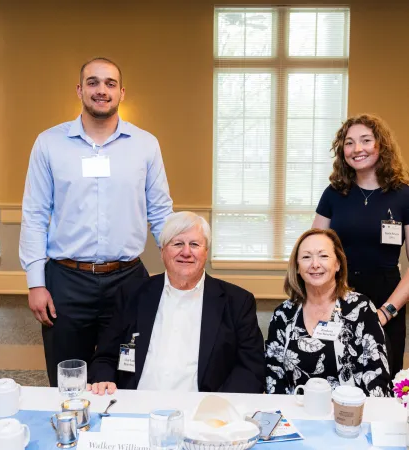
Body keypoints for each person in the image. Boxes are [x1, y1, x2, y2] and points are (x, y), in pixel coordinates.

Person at [19, 57, 173, 386]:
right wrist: (35, 282)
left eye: (109, 83)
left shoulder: (146, 145)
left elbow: (160, 211)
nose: (101, 90)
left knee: (128, 372)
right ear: (79, 90)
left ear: (121, 93)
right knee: (68, 378)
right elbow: (34, 214)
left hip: (128, 280)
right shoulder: (49, 143)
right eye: (93, 82)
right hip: (66, 281)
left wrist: (179, 266)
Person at [86, 212, 266, 394]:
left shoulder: (237, 302)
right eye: (178, 243)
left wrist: (217, 408)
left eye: (194, 244)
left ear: (206, 252)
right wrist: (104, 380)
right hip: (137, 405)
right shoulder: (131, 294)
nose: (186, 252)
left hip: (202, 412)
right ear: (162, 251)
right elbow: (105, 357)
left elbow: (251, 370)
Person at [313, 114, 409, 377]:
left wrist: (387, 312)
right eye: (349, 143)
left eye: (366, 140)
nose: (357, 149)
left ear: (382, 145)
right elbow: (312, 251)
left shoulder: (404, 195)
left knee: (382, 380)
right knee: (333, 376)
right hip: (338, 297)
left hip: (386, 301)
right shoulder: (333, 193)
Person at [265, 228, 391, 396]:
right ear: (297, 267)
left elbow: (377, 375)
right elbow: (274, 377)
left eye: (323, 256)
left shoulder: (361, 308)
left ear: (338, 264)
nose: (315, 264)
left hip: (351, 414)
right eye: (306, 257)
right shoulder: (283, 314)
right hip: (297, 413)